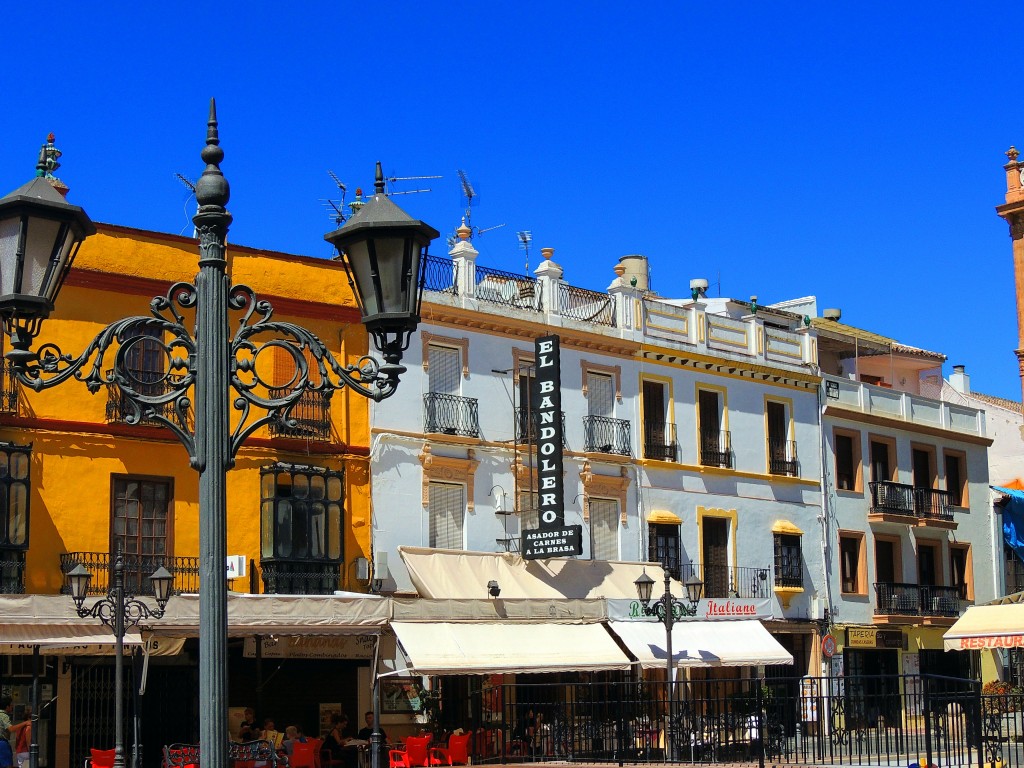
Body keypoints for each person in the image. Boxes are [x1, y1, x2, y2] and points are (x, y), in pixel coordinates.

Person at [0, 697, 14, 768]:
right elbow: (11, 729)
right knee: (7, 764)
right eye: (11, 705)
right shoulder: (3, 716)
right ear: (7, 706)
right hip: (2, 743)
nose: (12, 707)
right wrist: (25, 723)